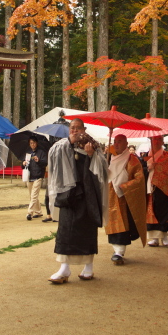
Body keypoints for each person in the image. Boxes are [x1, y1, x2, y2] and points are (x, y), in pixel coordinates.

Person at [47, 118, 108, 284]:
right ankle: (64, 268)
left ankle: (88, 266)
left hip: (87, 196)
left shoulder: (93, 146)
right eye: (72, 128)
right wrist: (68, 142)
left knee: (86, 231)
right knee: (65, 231)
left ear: (84, 129)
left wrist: (91, 155)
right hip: (69, 197)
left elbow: (103, 169)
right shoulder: (62, 145)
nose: (74, 131)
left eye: (78, 128)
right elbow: (52, 155)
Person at [105, 134, 146, 265]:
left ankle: (119, 252)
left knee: (123, 223)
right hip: (111, 194)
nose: (116, 144)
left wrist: (125, 186)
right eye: (115, 142)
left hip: (124, 196)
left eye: (120, 142)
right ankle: (116, 250)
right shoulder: (111, 158)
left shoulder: (132, 159)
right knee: (112, 223)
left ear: (126, 143)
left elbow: (139, 179)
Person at [23, 137, 48, 220]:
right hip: (29, 176)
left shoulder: (41, 152)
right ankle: (38, 211)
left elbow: (45, 163)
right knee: (32, 195)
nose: (32, 144)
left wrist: (38, 160)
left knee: (34, 195)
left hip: (38, 176)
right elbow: (24, 165)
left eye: (33, 143)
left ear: (36, 143)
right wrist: (23, 163)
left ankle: (29, 212)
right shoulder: (28, 153)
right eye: (31, 143)